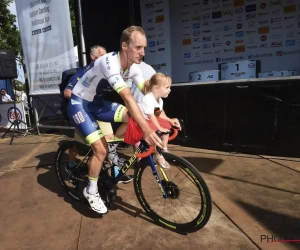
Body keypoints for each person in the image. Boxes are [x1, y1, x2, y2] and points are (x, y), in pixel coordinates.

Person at [68, 26, 163, 214]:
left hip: (97, 103)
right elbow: (128, 97)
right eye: (138, 48)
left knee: (131, 117)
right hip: (80, 104)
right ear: (125, 46)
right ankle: (91, 190)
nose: (142, 53)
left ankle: (111, 147)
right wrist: (146, 129)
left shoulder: (134, 68)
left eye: (144, 48)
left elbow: (144, 89)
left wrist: (159, 86)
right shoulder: (109, 63)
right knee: (100, 150)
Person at [64, 45, 132, 184]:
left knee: (109, 140)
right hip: (83, 110)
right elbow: (67, 92)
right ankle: (71, 165)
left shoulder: (108, 70)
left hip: (99, 109)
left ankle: (114, 173)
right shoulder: (83, 72)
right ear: (93, 56)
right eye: (102, 55)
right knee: (77, 146)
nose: (106, 58)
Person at [140, 73, 181, 168]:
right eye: (167, 87)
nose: (169, 90)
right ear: (157, 88)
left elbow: (157, 113)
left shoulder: (159, 100)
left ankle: (164, 149)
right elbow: (151, 116)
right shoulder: (148, 99)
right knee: (156, 131)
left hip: (150, 119)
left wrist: (169, 120)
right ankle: (157, 155)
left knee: (166, 125)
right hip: (143, 121)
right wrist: (159, 127)